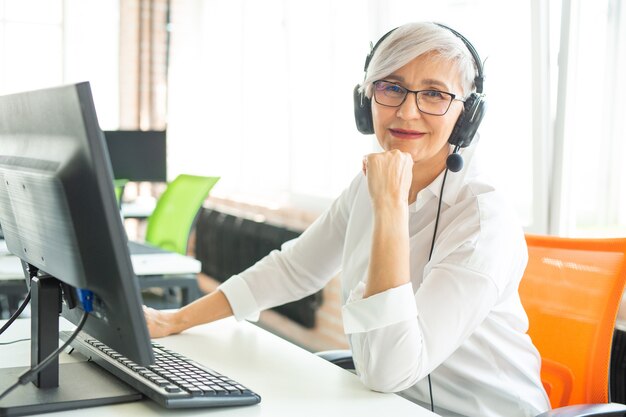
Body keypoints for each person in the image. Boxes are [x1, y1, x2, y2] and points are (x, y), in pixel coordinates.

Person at [144, 22, 551, 417]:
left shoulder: (482, 220)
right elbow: (293, 268)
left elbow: (389, 371)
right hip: (390, 404)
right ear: (365, 101)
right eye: (391, 87)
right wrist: (173, 319)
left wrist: (390, 205)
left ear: (466, 117)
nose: (408, 111)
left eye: (434, 94)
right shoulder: (366, 186)